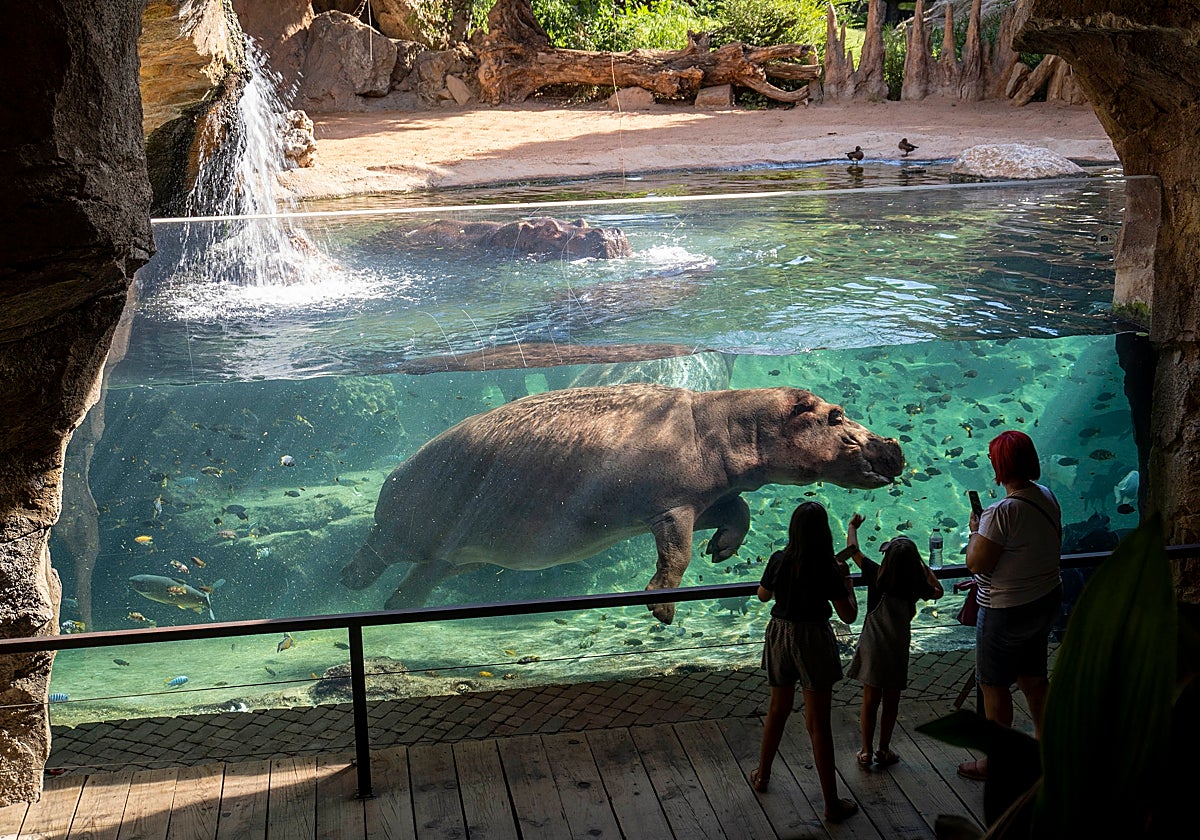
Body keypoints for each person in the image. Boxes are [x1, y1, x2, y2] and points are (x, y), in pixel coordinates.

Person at [957, 430, 1063, 782]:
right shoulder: (1046, 496)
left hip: (1005, 609)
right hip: (1044, 600)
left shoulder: (1001, 511)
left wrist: (975, 531)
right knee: (1034, 678)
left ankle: (997, 762)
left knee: (993, 685)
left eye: (992, 460)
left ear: (1001, 466)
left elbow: (977, 564)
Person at [751, 500, 860, 824]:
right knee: (818, 723)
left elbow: (762, 595)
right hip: (813, 637)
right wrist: (848, 584)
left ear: (792, 530)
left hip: (781, 636)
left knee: (777, 709)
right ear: (824, 532)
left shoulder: (779, 560)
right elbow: (849, 615)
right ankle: (830, 804)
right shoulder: (827, 566)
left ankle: (763, 776)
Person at [844, 517, 944, 768]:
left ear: (886, 559)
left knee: (870, 699)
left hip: (872, 646)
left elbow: (854, 552)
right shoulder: (915, 586)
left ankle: (865, 751)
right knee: (891, 701)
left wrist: (853, 527)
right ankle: (883, 749)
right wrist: (924, 568)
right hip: (896, 648)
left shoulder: (876, 576)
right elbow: (938, 591)